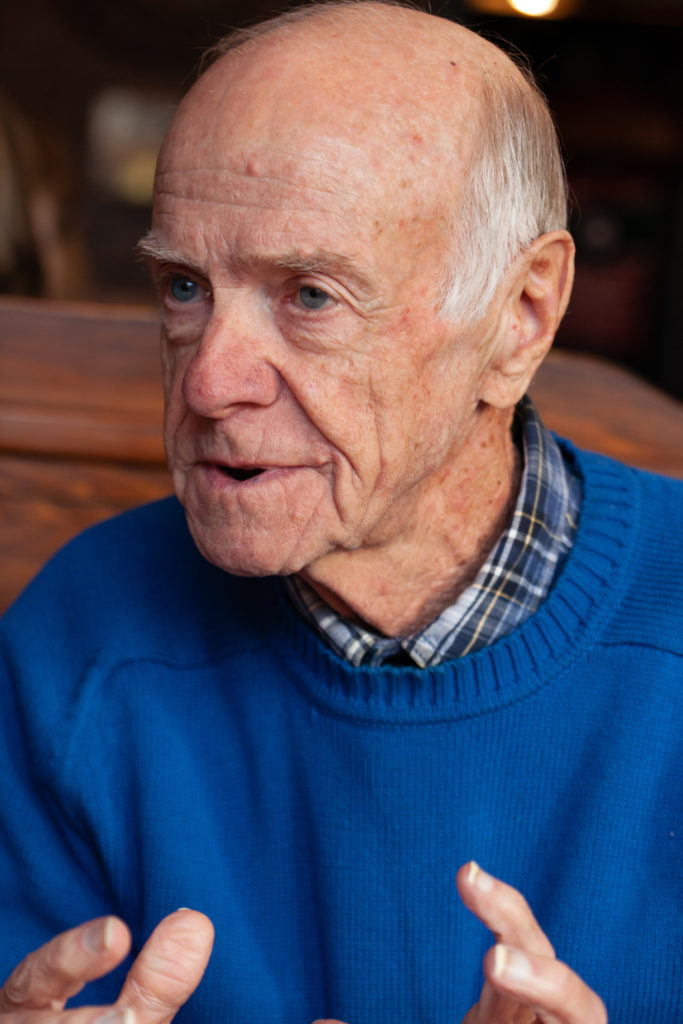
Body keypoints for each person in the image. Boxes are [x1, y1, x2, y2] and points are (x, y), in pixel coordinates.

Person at [0, 3, 681, 1023]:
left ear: (519, 316)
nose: (209, 382)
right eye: (184, 286)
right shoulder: (76, 640)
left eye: (309, 296)